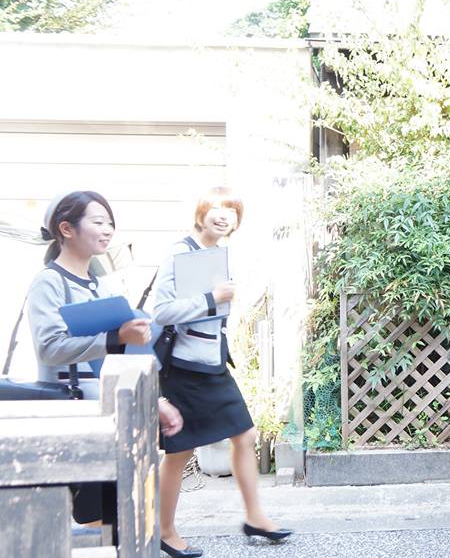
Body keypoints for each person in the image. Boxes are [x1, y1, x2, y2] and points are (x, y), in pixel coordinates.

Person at [153, 187, 291, 558]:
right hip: (184, 369)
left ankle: (256, 517)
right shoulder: (180, 252)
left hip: (213, 366)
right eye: (215, 207)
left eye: (231, 210)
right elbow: (161, 312)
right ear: (200, 213)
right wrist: (211, 299)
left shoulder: (218, 254)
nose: (223, 215)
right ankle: (164, 531)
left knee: (244, 435)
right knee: (180, 452)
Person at [26, 190, 176, 527]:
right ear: (66, 229)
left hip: (109, 414)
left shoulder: (101, 286)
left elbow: (126, 357)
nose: (107, 230)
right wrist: (115, 337)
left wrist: (157, 401)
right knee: (91, 515)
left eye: (110, 223)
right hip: (72, 413)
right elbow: (49, 347)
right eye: (98, 222)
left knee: (113, 513)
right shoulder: (49, 283)